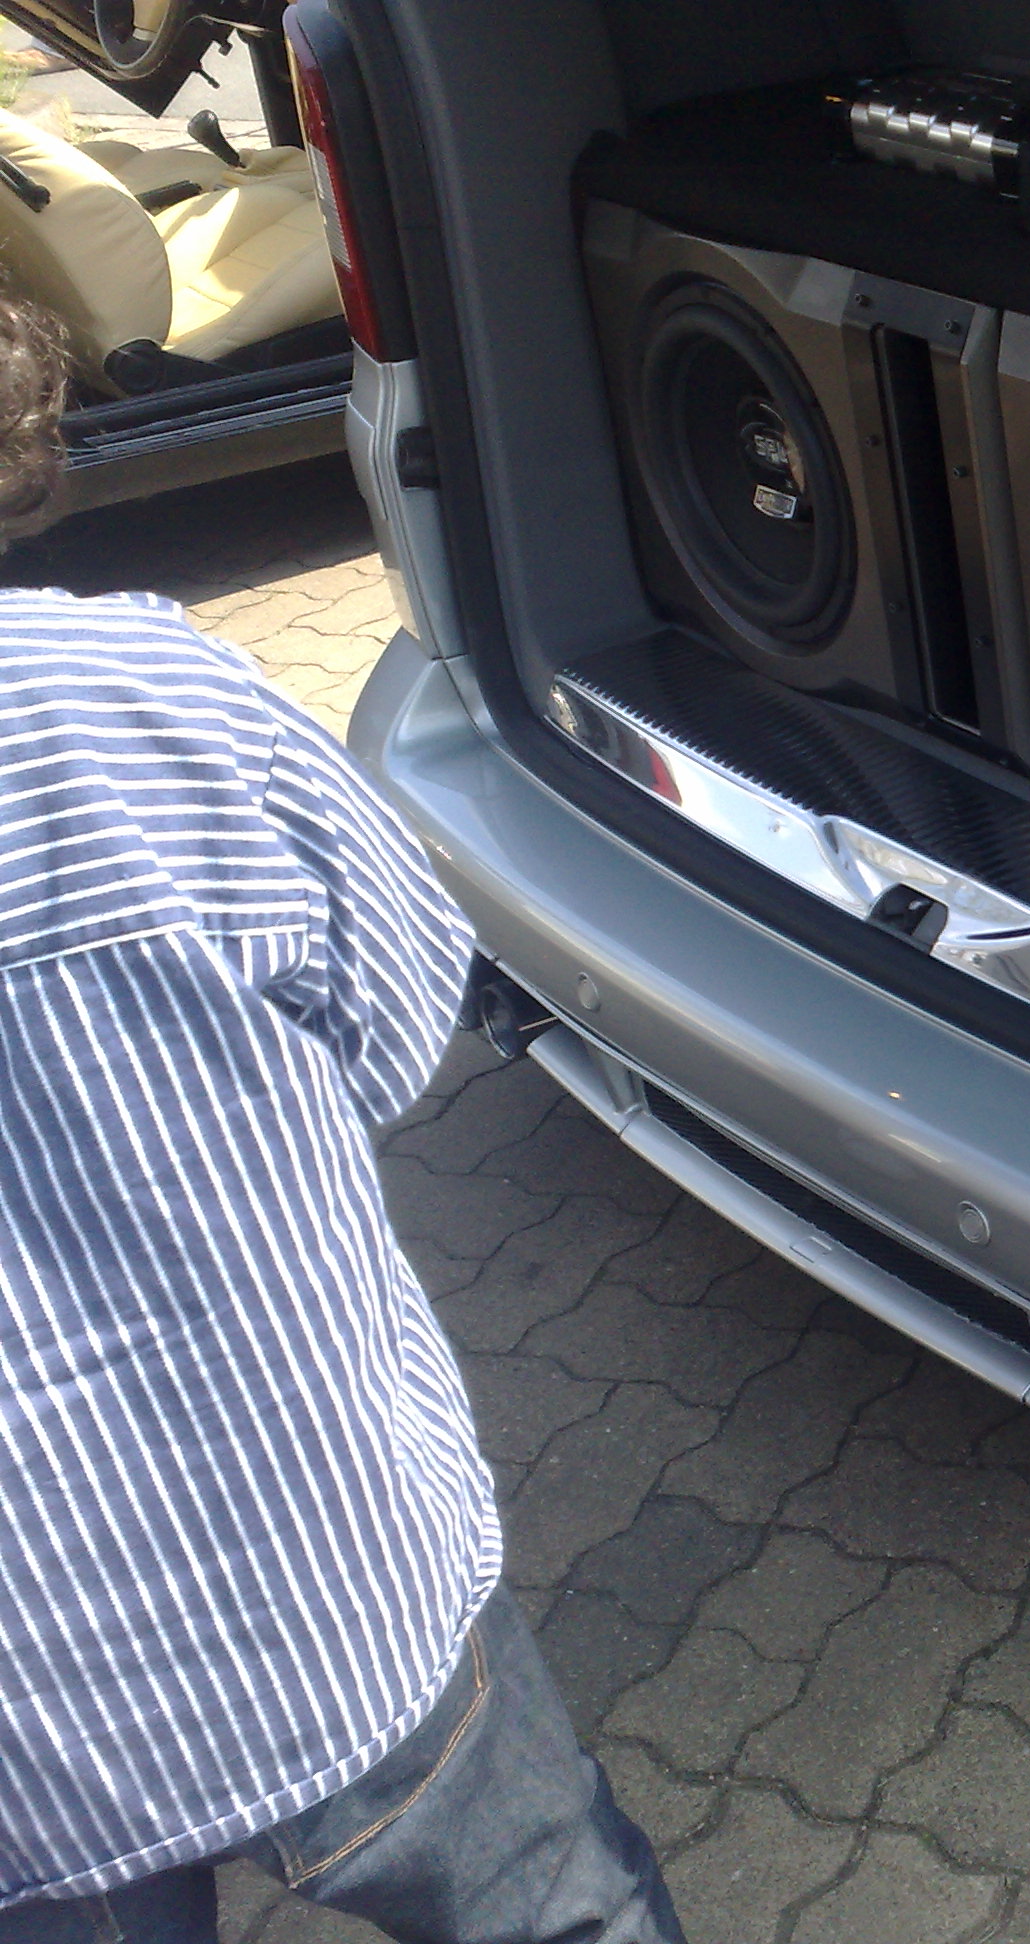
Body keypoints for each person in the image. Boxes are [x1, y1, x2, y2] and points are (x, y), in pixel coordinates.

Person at [0, 290, 683, 1941]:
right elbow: (392, 1019)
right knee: (556, 1911)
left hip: (30, 1741)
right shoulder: (138, 697)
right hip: (321, 1584)